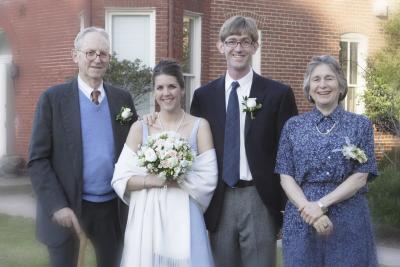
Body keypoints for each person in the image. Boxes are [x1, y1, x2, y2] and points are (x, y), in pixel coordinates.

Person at [190, 16, 298, 267]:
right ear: (221, 47)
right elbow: (193, 148)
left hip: (259, 197)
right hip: (219, 198)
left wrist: (284, 204)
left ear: (254, 47)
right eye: (231, 42)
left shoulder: (278, 94)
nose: (238, 48)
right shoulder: (203, 96)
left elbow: (289, 152)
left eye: (245, 42)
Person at [28, 27, 137, 267]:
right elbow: (38, 160)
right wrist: (57, 205)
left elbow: (133, 148)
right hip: (68, 209)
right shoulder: (53, 100)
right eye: (90, 52)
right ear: (75, 56)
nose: (97, 59)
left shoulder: (122, 100)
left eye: (103, 53)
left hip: (112, 210)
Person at [111, 59, 218, 267]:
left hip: (185, 216)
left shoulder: (199, 126)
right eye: (160, 87)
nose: (166, 93)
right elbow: (121, 178)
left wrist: (176, 175)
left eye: (172, 86)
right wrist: (154, 180)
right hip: (147, 219)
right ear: (154, 91)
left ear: (182, 89)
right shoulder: (140, 128)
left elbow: (208, 178)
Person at [275, 55, 378, 266]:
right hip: (302, 217)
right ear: (308, 88)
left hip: (348, 216)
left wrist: (321, 205)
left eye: (329, 78)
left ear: (340, 86)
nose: (323, 85)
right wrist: (309, 210)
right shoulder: (293, 126)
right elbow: (286, 176)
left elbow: (361, 176)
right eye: (316, 79)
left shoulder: (360, 125)